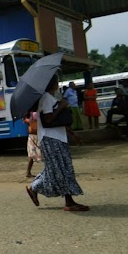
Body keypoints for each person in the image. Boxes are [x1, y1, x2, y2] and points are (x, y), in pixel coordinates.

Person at [25, 74, 89, 212]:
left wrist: (73, 134)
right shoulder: (47, 99)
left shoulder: (50, 98)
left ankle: (34, 188)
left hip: (57, 138)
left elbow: (59, 121)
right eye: (55, 81)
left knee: (58, 169)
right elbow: (48, 119)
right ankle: (69, 202)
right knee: (61, 170)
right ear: (52, 83)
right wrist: (61, 106)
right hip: (51, 139)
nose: (57, 83)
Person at [23, 111, 42, 178]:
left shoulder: (33, 114)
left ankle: (28, 172)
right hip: (33, 136)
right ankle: (28, 172)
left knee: (33, 155)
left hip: (35, 136)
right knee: (32, 155)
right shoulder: (33, 113)